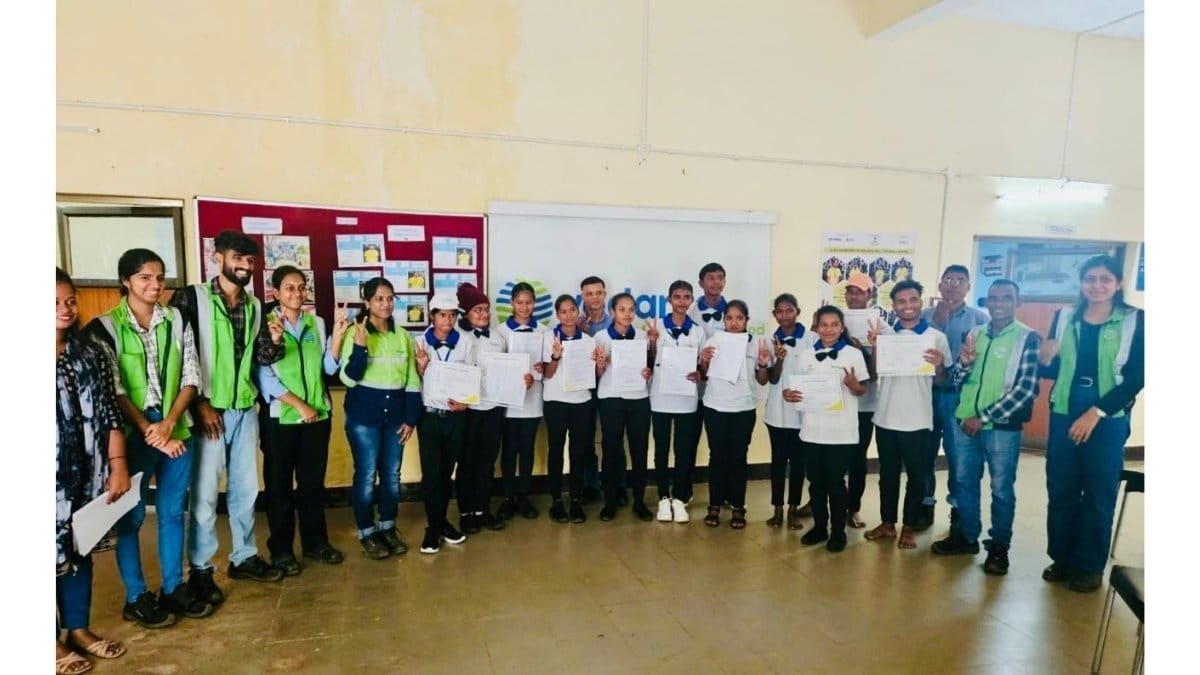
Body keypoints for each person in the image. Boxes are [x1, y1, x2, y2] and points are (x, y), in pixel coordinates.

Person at [84, 249, 212, 629]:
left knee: (172, 511)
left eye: (159, 277)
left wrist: (170, 422)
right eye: (145, 278)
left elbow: (192, 375)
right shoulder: (105, 328)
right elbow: (114, 389)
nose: (155, 285)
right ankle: (136, 597)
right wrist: (150, 430)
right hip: (131, 433)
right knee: (131, 516)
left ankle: (173, 587)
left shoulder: (177, 319)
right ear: (126, 281)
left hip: (175, 427)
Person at [170, 230, 284, 604]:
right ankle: (201, 570)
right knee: (204, 495)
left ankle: (244, 556)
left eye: (250, 261)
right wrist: (199, 404)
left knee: (246, 490)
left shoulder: (255, 306)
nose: (245, 266)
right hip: (207, 411)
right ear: (217, 257)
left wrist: (276, 342)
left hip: (243, 409)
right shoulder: (191, 298)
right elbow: (178, 355)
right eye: (238, 258)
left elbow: (262, 357)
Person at [1039, 255, 1144, 593]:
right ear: (1081, 282)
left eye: (1105, 279)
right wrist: (1044, 359)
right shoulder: (1064, 316)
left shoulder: (1136, 320)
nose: (1097, 285)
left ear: (1118, 283)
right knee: (1062, 488)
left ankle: (1089, 566)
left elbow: (1137, 376)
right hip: (1065, 409)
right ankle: (1062, 557)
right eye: (1090, 279)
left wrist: (1097, 412)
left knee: (1099, 492)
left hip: (1108, 416)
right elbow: (1053, 368)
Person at [931, 279, 1040, 575]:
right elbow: (957, 380)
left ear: (1017, 302)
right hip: (964, 421)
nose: (999, 303)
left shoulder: (1027, 338)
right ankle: (967, 537)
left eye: (1006, 298)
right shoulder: (974, 334)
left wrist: (984, 417)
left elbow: (1026, 390)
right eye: (994, 298)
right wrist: (965, 364)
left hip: (1001, 427)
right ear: (987, 301)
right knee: (964, 481)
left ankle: (999, 548)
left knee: (1001, 488)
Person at [57, 267, 131, 674]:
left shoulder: (89, 353)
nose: (65, 309)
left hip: (85, 474)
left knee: (78, 551)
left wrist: (117, 465)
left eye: (70, 301)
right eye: (53, 303)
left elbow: (108, 413)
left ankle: (77, 630)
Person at [254, 267, 348, 575]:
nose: (297, 293)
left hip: (317, 418)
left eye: (301, 287)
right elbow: (265, 379)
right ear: (276, 293)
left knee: (312, 486)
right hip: (281, 420)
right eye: (289, 288)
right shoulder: (265, 324)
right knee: (279, 488)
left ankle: (315, 544)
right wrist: (300, 406)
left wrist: (337, 337)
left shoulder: (315, 323)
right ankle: (281, 551)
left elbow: (328, 368)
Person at [338, 276, 423, 559]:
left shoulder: (403, 336)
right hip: (364, 416)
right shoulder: (355, 332)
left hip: (396, 416)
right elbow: (348, 379)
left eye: (389, 298)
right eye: (378, 299)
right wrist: (360, 348)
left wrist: (411, 418)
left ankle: (388, 526)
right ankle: (367, 532)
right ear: (367, 302)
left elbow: (411, 379)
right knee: (365, 476)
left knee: (391, 475)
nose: (385, 304)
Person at [864, 280, 952, 551]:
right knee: (887, 475)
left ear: (920, 302)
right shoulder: (886, 336)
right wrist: (876, 346)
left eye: (913, 299)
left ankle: (909, 527)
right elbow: (875, 374)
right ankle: (887, 523)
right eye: (901, 301)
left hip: (918, 420)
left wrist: (939, 366)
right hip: (886, 417)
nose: (908, 305)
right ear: (894, 306)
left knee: (916, 477)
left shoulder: (936, 338)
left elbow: (943, 382)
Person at [783, 305, 870, 552]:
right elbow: (795, 388)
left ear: (842, 328)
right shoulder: (807, 355)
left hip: (841, 432)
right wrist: (789, 394)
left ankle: (838, 532)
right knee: (816, 483)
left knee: (835, 482)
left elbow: (862, 390)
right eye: (823, 324)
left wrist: (853, 385)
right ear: (816, 327)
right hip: (812, 430)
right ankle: (820, 527)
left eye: (834, 325)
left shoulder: (853, 354)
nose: (828, 329)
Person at [920, 264, 989, 533]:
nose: (953, 285)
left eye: (960, 281)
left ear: (968, 287)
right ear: (940, 285)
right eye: (948, 280)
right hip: (924, 395)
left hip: (959, 398)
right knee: (923, 454)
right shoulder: (923, 316)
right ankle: (924, 505)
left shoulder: (980, 320)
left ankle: (959, 512)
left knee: (960, 457)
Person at [698, 300, 771, 530]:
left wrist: (762, 365)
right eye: (729, 318)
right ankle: (714, 504)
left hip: (743, 408)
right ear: (724, 320)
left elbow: (762, 381)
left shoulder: (756, 343)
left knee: (739, 458)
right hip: (715, 407)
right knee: (717, 457)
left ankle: (738, 506)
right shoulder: (714, 340)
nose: (734, 322)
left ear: (747, 320)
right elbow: (704, 375)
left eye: (739, 318)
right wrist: (704, 360)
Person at [412, 294, 472, 554]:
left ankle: (440, 522)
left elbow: (472, 377)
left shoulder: (465, 342)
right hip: (429, 417)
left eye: (452, 315)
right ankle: (433, 528)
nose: (448, 320)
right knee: (431, 474)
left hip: (456, 418)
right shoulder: (419, 342)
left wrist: (466, 403)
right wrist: (421, 369)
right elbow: (413, 382)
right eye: (442, 314)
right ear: (432, 315)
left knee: (447, 472)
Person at [593, 293, 654, 521]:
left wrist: (648, 372)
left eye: (631, 310)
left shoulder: (642, 336)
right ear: (612, 312)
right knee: (611, 450)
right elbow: (596, 373)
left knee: (639, 450)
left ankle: (639, 501)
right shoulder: (600, 337)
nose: (627, 314)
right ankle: (609, 501)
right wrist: (600, 366)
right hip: (611, 399)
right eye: (622, 309)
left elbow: (649, 368)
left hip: (638, 398)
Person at [647, 281, 704, 523]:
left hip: (687, 400)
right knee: (661, 450)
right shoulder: (656, 326)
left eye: (686, 297)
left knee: (683, 451)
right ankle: (663, 497)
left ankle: (679, 498)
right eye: (677, 297)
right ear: (669, 299)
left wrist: (700, 372)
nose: (681, 301)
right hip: (660, 399)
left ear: (691, 300)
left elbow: (702, 365)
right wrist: (652, 342)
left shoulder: (698, 331)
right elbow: (647, 361)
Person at [455, 282, 509, 532]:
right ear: (465, 312)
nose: (484, 314)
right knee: (467, 461)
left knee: (487, 461)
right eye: (478, 310)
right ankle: (466, 512)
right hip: (468, 409)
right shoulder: (457, 336)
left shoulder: (497, 337)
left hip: (494, 407)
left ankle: (482, 509)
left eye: (486, 309)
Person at [542, 294, 598, 523]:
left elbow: (593, 374)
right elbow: (547, 374)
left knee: (578, 452)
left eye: (572, 310)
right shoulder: (548, 338)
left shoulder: (588, 340)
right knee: (556, 450)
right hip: (555, 401)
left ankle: (576, 499)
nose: (568, 315)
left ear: (578, 312)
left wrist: (598, 363)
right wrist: (555, 356)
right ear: (557, 315)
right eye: (563, 311)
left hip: (581, 402)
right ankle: (556, 500)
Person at [763, 293, 816, 530]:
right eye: (780, 311)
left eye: (789, 310)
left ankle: (793, 510)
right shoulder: (769, 340)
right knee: (777, 463)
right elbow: (772, 379)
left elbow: (817, 373)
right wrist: (780, 360)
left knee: (798, 464)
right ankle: (777, 509)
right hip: (776, 413)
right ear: (774, 314)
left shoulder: (812, 339)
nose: (785, 315)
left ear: (797, 312)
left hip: (803, 413)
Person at [496, 282, 547, 520]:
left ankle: (524, 496)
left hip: (532, 400)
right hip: (508, 402)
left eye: (528, 302)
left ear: (534, 303)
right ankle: (508, 497)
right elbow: (496, 366)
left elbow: (549, 365)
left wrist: (543, 367)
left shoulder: (544, 331)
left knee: (527, 450)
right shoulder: (500, 331)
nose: (524, 307)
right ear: (512, 303)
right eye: (519, 302)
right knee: (509, 451)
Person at [843, 272, 880, 529]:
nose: (854, 296)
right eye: (850, 291)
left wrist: (868, 349)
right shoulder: (835, 318)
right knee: (826, 455)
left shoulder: (879, 324)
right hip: (836, 401)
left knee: (857, 459)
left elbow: (878, 371)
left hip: (864, 405)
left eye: (859, 291)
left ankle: (853, 508)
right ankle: (817, 501)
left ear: (869, 294)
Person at [576, 275, 613, 504]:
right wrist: (579, 333)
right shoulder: (575, 323)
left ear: (605, 294)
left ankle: (616, 485)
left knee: (612, 438)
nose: (595, 298)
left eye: (598, 293)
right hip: (585, 387)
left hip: (611, 386)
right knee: (586, 438)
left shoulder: (616, 322)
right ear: (583, 297)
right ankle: (590, 484)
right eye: (589, 294)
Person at [687, 262, 728, 338]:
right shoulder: (689, 311)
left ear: (724, 282)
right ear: (701, 283)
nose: (717, 282)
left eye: (720, 278)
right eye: (711, 278)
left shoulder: (732, 312)